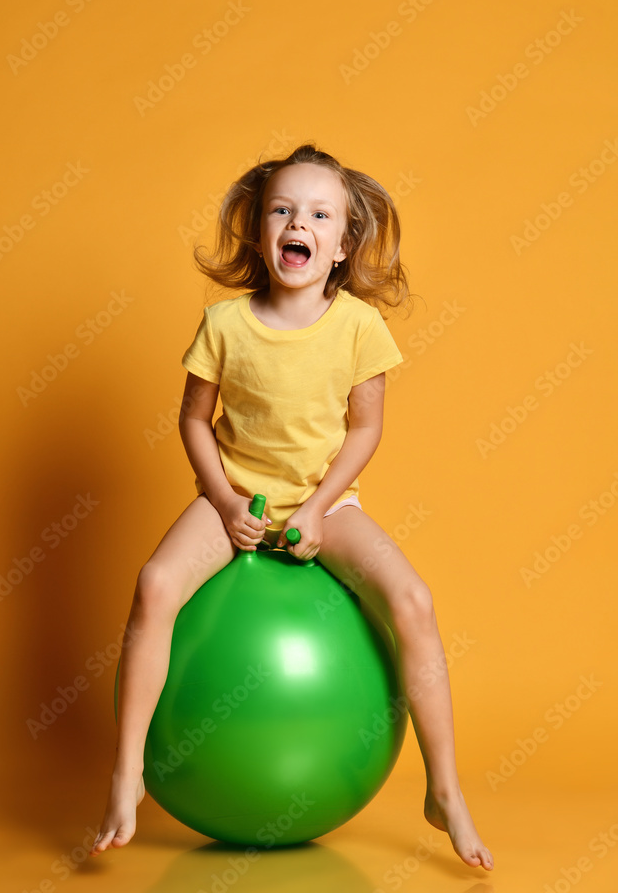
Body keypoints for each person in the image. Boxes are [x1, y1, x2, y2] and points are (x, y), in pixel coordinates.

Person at [90, 142, 494, 871]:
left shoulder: (359, 328)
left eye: (316, 213)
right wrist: (221, 497)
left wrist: (317, 507)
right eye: (280, 210)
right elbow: (192, 420)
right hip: (232, 497)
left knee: (413, 599)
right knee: (153, 586)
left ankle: (446, 791)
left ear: (341, 245)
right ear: (257, 231)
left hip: (324, 506)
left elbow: (366, 428)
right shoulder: (223, 324)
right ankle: (127, 774)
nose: (295, 223)